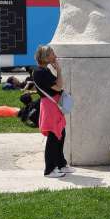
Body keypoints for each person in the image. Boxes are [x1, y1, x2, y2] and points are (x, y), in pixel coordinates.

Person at [32, 45, 74, 178]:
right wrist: (59, 71)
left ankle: (61, 164)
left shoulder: (43, 70)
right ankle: (50, 169)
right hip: (50, 106)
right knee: (53, 137)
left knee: (60, 134)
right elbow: (59, 86)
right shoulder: (41, 72)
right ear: (45, 57)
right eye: (52, 53)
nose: (54, 55)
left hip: (52, 105)